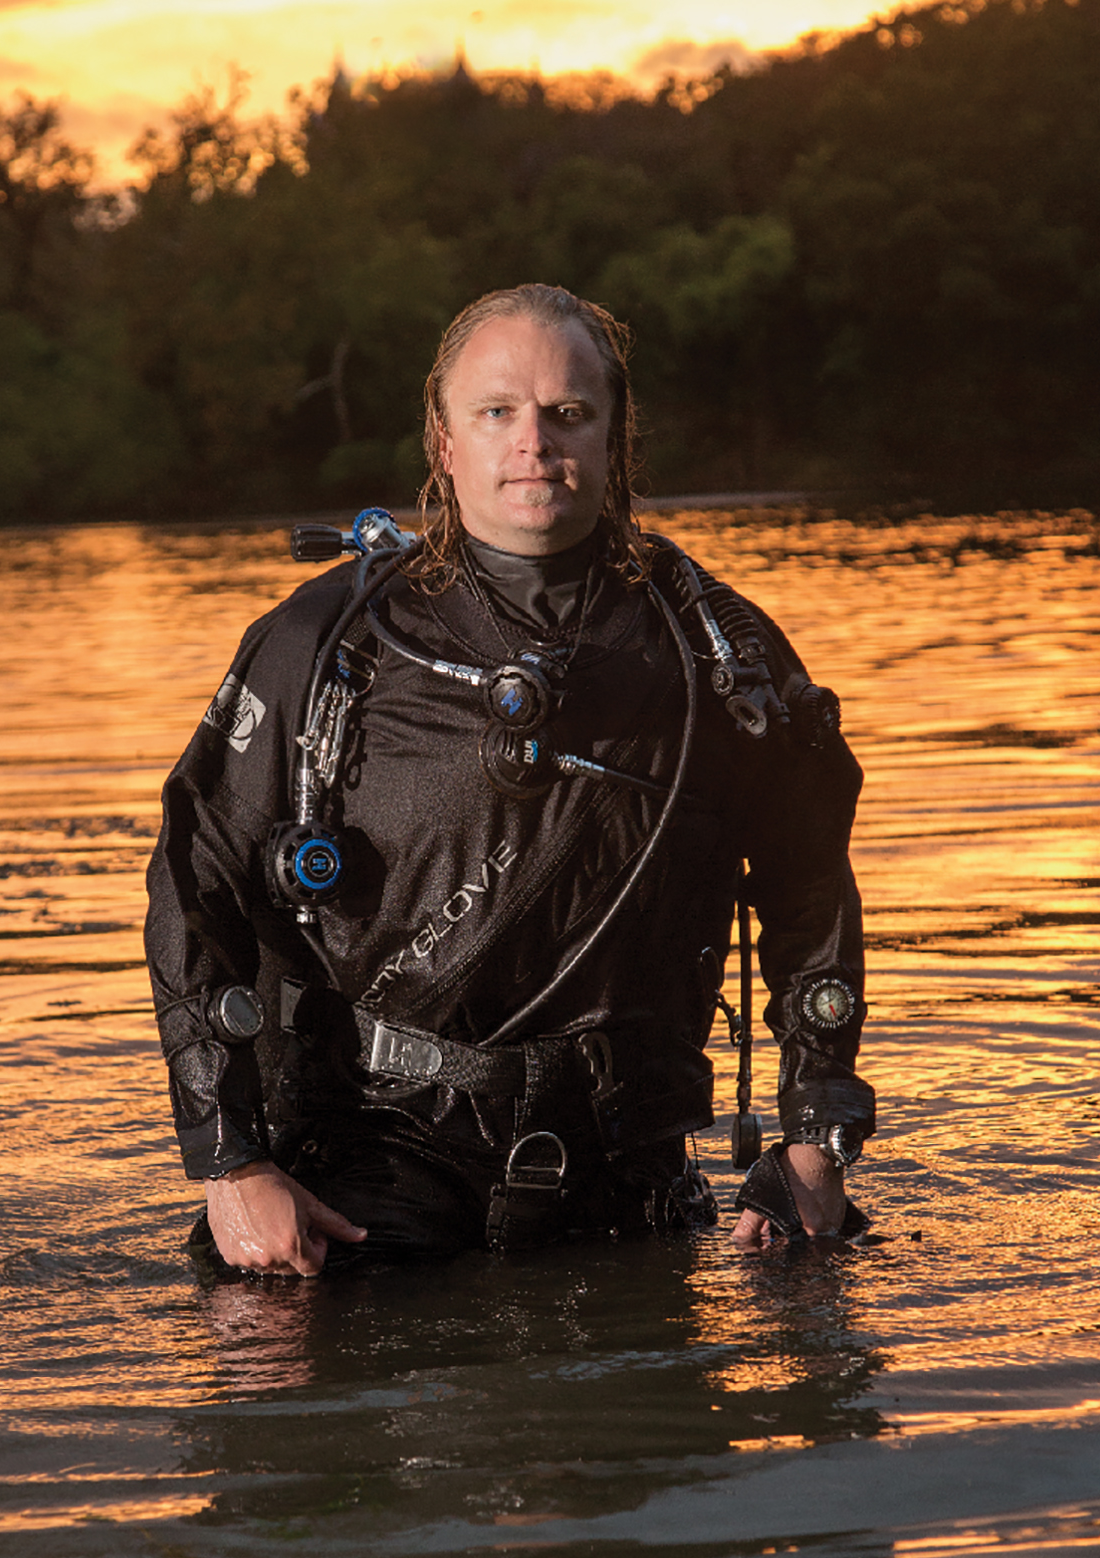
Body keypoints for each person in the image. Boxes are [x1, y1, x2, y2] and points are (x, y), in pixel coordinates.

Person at [146, 283, 876, 1275]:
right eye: (498, 413)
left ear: (613, 438)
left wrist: (811, 1138)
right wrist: (230, 1166)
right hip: (364, 1171)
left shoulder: (719, 656)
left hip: (630, 1177)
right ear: (445, 444)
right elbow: (200, 879)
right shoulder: (322, 645)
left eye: (568, 413)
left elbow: (809, 889)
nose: (534, 440)